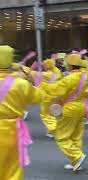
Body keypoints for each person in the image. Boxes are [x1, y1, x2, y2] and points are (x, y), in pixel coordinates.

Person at [0, 45, 50, 179]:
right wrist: (37, 83)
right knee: (12, 169)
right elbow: (39, 97)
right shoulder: (20, 84)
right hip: (11, 131)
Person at [40, 54, 88, 171]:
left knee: (61, 137)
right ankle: (75, 162)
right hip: (80, 107)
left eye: (67, 65)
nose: (66, 67)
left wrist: (40, 84)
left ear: (71, 66)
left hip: (70, 108)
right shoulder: (84, 76)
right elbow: (86, 93)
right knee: (76, 137)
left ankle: (77, 156)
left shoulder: (70, 78)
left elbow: (55, 90)